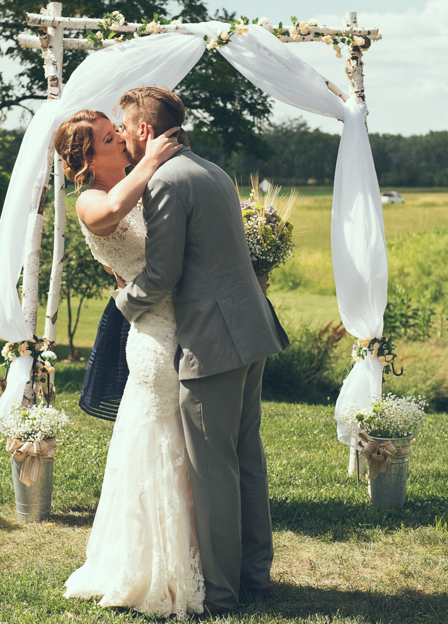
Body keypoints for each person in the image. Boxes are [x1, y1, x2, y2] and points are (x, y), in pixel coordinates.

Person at [113, 87, 289, 614]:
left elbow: (163, 275)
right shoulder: (209, 170)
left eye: (124, 129)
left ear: (144, 131)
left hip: (213, 340)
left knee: (213, 468)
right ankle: (254, 575)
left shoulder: (164, 181)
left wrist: (122, 301)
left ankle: (221, 593)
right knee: (245, 457)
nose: (122, 138)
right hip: (251, 328)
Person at [54, 109, 206, 617]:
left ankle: (195, 557)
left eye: (117, 130)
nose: (120, 137)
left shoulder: (142, 186)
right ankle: (158, 569)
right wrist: (154, 157)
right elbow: (112, 211)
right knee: (161, 442)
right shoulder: (92, 201)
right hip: (153, 337)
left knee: (178, 445)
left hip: (181, 323)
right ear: (88, 158)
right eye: (107, 137)